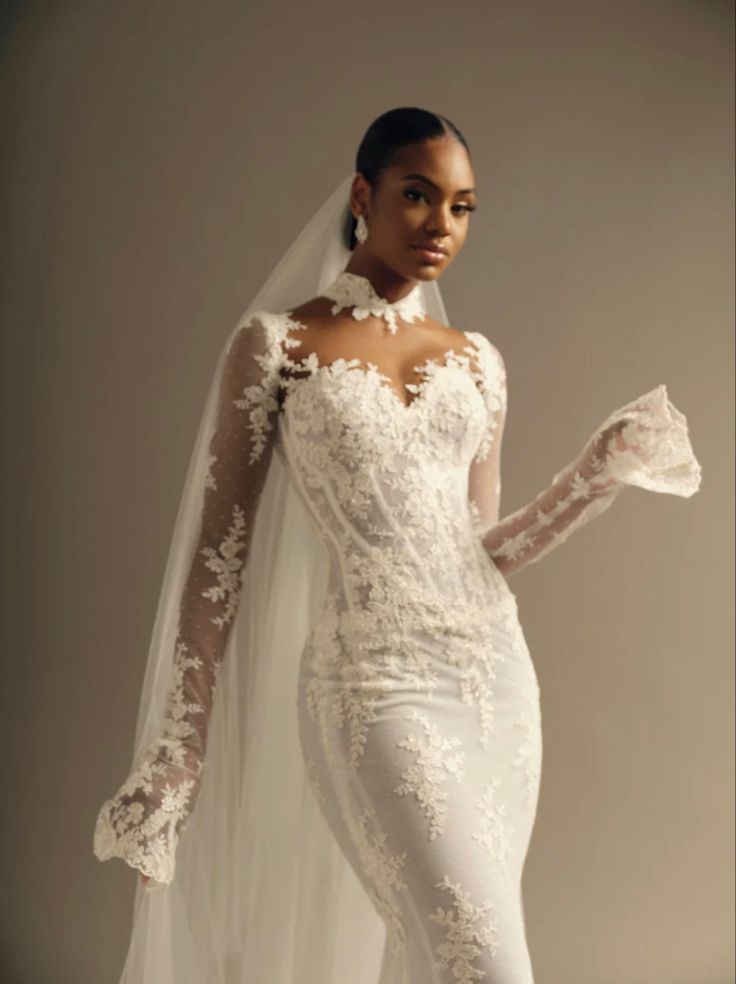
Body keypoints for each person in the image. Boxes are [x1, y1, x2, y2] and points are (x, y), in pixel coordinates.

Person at [92, 108, 702, 984]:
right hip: (373, 690)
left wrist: (593, 476)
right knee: (482, 959)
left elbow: (477, 551)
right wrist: (174, 761)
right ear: (361, 195)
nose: (441, 226)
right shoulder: (277, 346)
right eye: (418, 196)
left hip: (497, 686)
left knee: (440, 957)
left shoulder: (477, 362)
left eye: (462, 207)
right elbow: (216, 565)